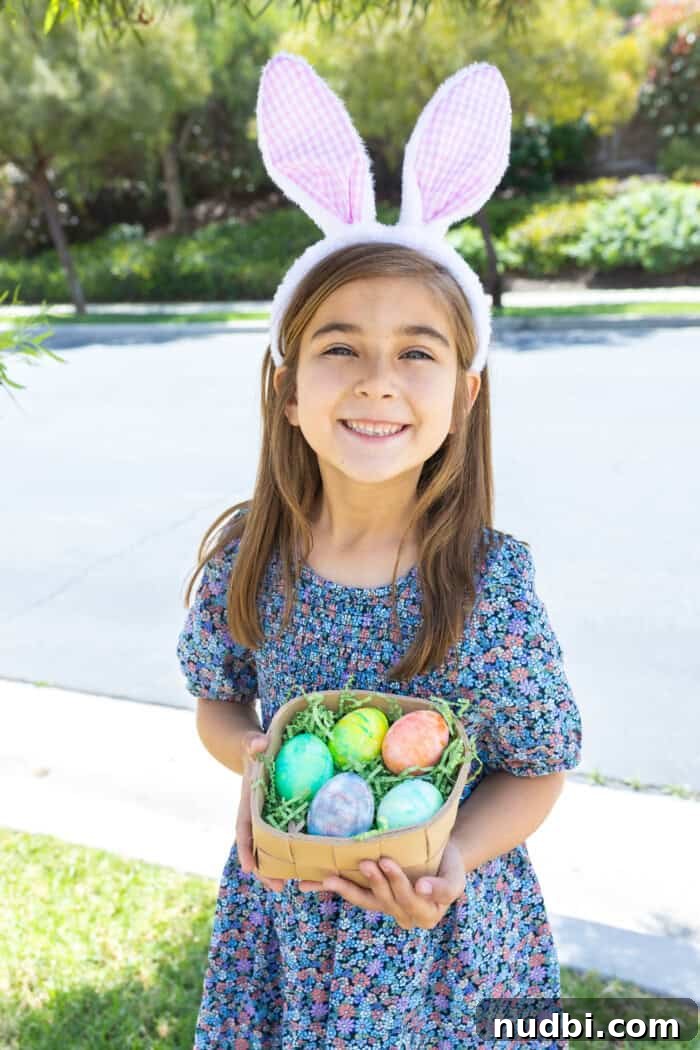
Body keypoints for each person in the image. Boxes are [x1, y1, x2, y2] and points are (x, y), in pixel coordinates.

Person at [176, 52, 583, 1049]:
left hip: (445, 947)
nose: (376, 380)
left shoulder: (487, 584)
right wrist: (257, 754)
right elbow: (219, 702)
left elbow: (535, 768)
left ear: (463, 394)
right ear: (287, 386)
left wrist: (452, 860)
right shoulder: (251, 556)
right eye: (339, 348)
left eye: (416, 351)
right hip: (286, 922)